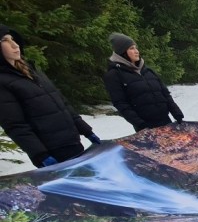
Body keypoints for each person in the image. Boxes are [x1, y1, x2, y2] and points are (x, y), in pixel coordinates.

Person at [0, 24, 100, 168]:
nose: (14, 44)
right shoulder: (3, 82)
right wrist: (41, 155)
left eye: (13, 39)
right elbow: (16, 126)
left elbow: (62, 103)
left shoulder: (31, 70)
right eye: (5, 40)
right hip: (51, 152)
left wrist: (86, 130)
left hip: (71, 142)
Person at [103, 33, 184, 132]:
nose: (136, 51)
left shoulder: (148, 71)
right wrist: (140, 124)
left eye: (136, 48)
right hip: (145, 127)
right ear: (122, 52)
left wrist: (176, 113)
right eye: (131, 48)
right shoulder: (114, 75)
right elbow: (121, 103)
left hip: (166, 121)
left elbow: (165, 94)